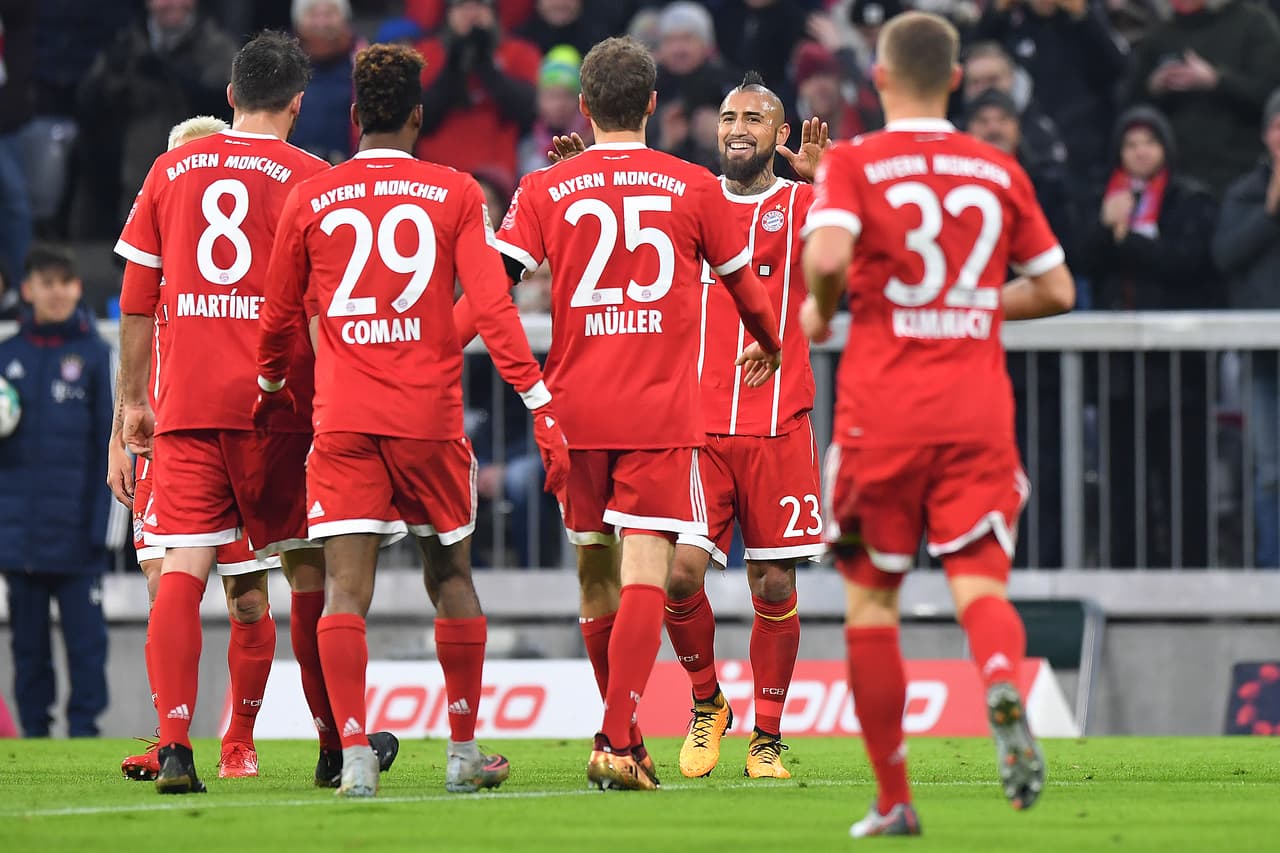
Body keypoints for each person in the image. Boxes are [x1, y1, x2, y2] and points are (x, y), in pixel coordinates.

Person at [455, 36, 784, 791]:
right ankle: (615, 735)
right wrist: (767, 340)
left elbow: (490, 286)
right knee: (646, 569)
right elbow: (745, 289)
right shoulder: (693, 184)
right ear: (652, 105)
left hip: (574, 407)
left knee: (594, 573)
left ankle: (625, 738)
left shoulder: (545, 188)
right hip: (657, 408)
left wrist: (440, 348)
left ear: (582, 107)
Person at [254, 43, 569, 797]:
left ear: (357, 115)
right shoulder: (454, 190)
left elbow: (277, 319)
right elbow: (492, 306)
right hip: (428, 419)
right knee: (451, 574)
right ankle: (462, 752)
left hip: (346, 420)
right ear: (420, 118)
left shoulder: (313, 197)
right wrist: (537, 399)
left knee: (344, 590)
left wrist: (270, 385)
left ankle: (356, 754)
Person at [800, 11, 1074, 837]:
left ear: (877, 80)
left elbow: (824, 259)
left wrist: (820, 316)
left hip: (882, 415)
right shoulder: (995, 167)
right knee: (980, 586)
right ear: (958, 80)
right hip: (977, 412)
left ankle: (894, 798)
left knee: (871, 604)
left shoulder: (854, 162)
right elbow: (1058, 289)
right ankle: (998, 673)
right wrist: (972, 303)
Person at [114, 31, 392, 795]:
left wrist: (133, 401)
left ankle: (175, 745)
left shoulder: (169, 169)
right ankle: (335, 743)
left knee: (181, 567)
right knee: (307, 568)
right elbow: (325, 306)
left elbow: (139, 300)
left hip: (189, 402)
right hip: (283, 408)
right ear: (299, 104)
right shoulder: (311, 177)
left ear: (230, 95)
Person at [108, 115, 312, 782]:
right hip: (167, 442)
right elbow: (135, 354)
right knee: (167, 585)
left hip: (233, 431)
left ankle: (239, 739)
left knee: (248, 597)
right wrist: (120, 437)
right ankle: (171, 735)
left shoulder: (230, 277)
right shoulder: (159, 279)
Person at [662, 76, 827, 781]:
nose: (738, 127)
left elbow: (848, 272)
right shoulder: (689, 202)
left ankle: (767, 735)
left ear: (778, 134)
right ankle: (707, 703)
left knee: (772, 586)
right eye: (729, 116)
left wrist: (831, 186)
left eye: (754, 118)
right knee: (676, 576)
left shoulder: (802, 204)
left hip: (778, 424)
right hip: (698, 427)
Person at [0, 244, 121, 738]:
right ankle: (33, 734)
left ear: (76, 288)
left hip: (78, 538)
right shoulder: (7, 359)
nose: (55, 292)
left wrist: (106, 531)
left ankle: (85, 730)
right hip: (19, 539)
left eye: (63, 283)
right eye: (44, 283)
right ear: (28, 291)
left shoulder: (98, 359)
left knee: (86, 644)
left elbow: (115, 448)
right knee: (27, 648)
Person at [75, 0, 238, 236]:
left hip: (200, 172)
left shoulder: (216, 45)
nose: (171, 4)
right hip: (134, 173)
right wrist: (114, 79)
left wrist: (176, 78)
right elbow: (88, 102)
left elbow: (230, 101)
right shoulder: (127, 44)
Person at [1214, 90, 1280, 568]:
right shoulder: (1244, 192)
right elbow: (1226, 255)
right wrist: (1270, 212)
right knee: (1269, 472)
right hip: (1263, 357)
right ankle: (1269, 576)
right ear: (1265, 135)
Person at [1122, 0, 1280, 198]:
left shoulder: (1254, 23)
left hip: (1243, 170)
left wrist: (1217, 81)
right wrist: (1153, 87)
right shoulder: (1159, 35)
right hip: (1176, 177)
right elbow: (1129, 111)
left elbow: (1271, 94)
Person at [414, 0, 541, 177]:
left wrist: (485, 65)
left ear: (494, 11)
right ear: (447, 13)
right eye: (461, 5)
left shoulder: (520, 52)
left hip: (496, 178)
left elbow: (528, 112)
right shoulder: (425, 54)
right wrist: (454, 63)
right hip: (436, 173)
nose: (471, 13)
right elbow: (418, 121)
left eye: (480, 4)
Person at [290, 0, 362, 164]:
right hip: (291, 168)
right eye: (313, 14)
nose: (321, 23)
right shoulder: (282, 62)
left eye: (329, 14)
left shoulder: (363, 59)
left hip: (347, 169)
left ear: (344, 18)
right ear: (298, 21)